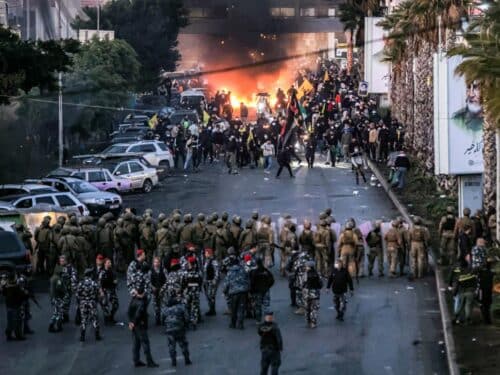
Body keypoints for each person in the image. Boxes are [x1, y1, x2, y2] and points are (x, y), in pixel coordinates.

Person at [128, 285, 159, 368]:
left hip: (134, 325)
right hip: (140, 325)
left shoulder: (133, 300)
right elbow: (138, 314)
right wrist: (134, 322)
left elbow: (129, 311)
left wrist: (130, 322)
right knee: (145, 343)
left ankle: (136, 360)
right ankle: (150, 362)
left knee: (136, 343)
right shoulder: (141, 303)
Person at [163, 296, 192, 367]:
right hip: (179, 328)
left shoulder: (165, 310)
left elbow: (162, 318)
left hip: (169, 329)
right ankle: (187, 359)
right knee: (183, 344)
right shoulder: (181, 308)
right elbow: (187, 317)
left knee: (171, 346)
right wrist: (186, 325)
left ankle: (173, 361)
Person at [223, 256, 250, 329]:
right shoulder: (243, 270)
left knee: (233, 309)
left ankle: (233, 323)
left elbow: (226, 283)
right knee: (241, 308)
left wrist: (224, 291)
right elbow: (247, 281)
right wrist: (248, 290)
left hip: (233, 293)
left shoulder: (230, 272)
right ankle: (240, 324)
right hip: (243, 292)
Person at [1, 271, 28, 341]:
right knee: (17, 321)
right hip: (16, 306)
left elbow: (3, 293)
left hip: (9, 306)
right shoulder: (16, 287)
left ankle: (9, 335)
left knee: (10, 321)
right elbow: (22, 296)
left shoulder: (6, 286)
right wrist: (25, 293)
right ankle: (18, 335)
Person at [77, 268, 101, 342]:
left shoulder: (81, 283)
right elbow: (98, 293)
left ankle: (82, 336)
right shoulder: (94, 283)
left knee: (84, 319)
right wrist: (96, 300)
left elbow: (77, 294)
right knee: (94, 319)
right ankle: (97, 335)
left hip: (83, 303)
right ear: (90, 274)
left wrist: (80, 301)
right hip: (92, 302)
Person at [250, 258, 275, 322]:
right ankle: (267, 320)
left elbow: (251, 282)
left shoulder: (254, 272)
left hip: (257, 291)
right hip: (266, 290)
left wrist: (252, 291)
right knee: (266, 306)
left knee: (258, 306)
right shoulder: (266, 271)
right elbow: (272, 280)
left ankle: (258, 320)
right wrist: (268, 286)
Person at [99, 258, 119, 325]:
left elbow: (115, 279)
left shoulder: (112, 271)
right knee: (105, 305)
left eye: (110, 262)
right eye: (108, 262)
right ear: (105, 264)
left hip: (111, 290)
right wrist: (101, 291)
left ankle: (111, 317)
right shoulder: (102, 272)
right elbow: (100, 283)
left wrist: (116, 282)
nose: (110, 264)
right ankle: (107, 319)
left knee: (116, 305)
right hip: (105, 291)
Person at [303, 261, 323, 328]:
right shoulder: (318, 273)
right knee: (314, 309)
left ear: (309, 267)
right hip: (315, 293)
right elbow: (321, 284)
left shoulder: (305, 274)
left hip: (307, 293)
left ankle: (308, 321)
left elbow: (302, 283)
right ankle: (313, 323)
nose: (306, 267)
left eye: (306, 266)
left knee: (307, 308)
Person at [203, 248, 220, 316]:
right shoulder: (207, 260)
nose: (205, 254)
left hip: (211, 281)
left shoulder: (213, 261)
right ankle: (211, 309)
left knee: (211, 296)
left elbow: (217, 272)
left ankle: (212, 310)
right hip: (207, 281)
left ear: (209, 253)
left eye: (206, 253)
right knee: (208, 296)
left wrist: (215, 281)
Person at [478, 257, 494, 324]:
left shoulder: (481, 273)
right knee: (487, 306)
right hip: (489, 291)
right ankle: (488, 320)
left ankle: (485, 319)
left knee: (482, 305)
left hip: (482, 291)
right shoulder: (491, 273)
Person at [150, 257, 166, 325]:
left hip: (162, 290)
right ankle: (157, 319)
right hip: (154, 290)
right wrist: (152, 287)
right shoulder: (150, 271)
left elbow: (167, 280)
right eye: (155, 262)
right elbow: (148, 281)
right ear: (153, 263)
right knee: (155, 306)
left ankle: (163, 319)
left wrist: (163, 288)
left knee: (163, 305)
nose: (156, 264)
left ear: (160, 263)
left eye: (158, 262)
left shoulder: (163, 270)